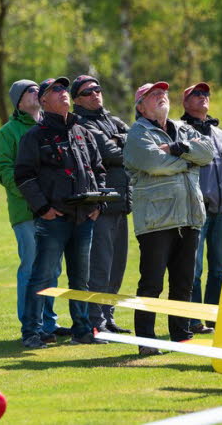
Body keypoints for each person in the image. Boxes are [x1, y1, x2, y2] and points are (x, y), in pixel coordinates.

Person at [15, 76, 108, 348]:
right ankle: (31, 332)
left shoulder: (83, 132)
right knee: (42, 276)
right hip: (54, 219)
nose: (63, 93)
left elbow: (99, 170)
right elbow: (24, 177)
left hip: (84, 217)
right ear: (44, 100)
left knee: (80, 278)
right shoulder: (35, 135)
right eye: (56, 89)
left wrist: (98, 204)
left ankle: (82, 330)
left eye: (64, 89)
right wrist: (43, 208)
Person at [123, 81, 214, 355]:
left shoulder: (182, 128)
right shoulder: (137, 133)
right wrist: (188, 158)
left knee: (183, 281)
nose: (162, 96)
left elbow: (208, 153)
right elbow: (152, 163)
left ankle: (181, 335)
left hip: (189, 215)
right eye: (154, 95)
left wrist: (175, 150)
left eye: (163, 93)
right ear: (141, 106)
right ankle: (147, 342)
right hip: (156, 219)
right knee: (151, 282)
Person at [0, 80, 70, 345]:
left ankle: (49, 322)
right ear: (18, 101)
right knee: (32, 266)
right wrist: (33, 198)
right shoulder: (8, 132)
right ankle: (30, 325)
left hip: (54, 210)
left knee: (52, 269)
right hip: (26, 211)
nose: (35, 93)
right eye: (29, 91)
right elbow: (3, 169)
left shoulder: (50, 126)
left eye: (38, 89)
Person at [71, 75, 133, 334]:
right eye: (87, 92)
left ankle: (108, 316)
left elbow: (136, 147)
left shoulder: (113, 120)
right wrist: (122, 142)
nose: (95, 94)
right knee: (100, 266)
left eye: (97, 89)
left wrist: (122, 140)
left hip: (122, 203)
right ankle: (96, 321)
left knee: (117, 266)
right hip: (102, 205)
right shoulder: (81, 124)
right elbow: (112, 154)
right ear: (77, 100)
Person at [181, 82, 222, 334]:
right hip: (197, 210)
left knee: (219, 268)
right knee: (193, 269)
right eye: (196, 94)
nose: (202, 97)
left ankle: (215, 318)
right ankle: (194, 320)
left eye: (205, 94)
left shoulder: (221, 135)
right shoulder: (180, 131)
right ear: (185, 102)